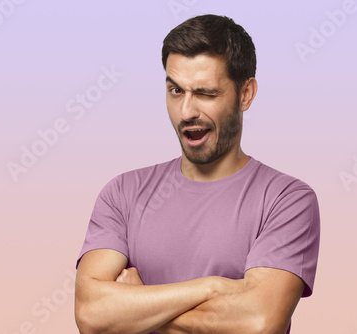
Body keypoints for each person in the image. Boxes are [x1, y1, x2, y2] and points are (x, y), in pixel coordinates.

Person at [75, 14, 320, 334]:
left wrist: (136, 306)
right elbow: (92, 314)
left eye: (205, 93)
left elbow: (259, 323)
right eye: (176, 90)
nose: (187, 111)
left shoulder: (286, 200)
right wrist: (213, 288)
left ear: (245, 94)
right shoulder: (123, 192)